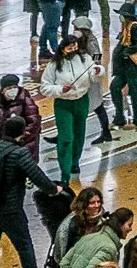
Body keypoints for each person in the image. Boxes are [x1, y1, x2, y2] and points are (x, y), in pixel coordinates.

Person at [0, 113, 60, 268]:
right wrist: (54, 189)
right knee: (24, 246)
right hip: (10, 211)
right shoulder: (20, 153)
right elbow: (38, 177)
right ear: (22, 132)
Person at [41, 31, 99, 183]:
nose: (73, 51)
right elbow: (44, 87)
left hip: (81, 101)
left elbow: (93, 75)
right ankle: (64, 172)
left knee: (79, 134)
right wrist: (60, 89)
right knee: (66, 137)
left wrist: (98, 72)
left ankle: (75, 162)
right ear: (63, 48)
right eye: (70, 48)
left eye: (75, 47)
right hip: (63, 104)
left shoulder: (85, 59)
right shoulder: (54, 65)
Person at [109, 6, 137, 131]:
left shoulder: (134, 27)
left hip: (131, 66)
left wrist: (126, 53)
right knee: (114, 87)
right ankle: (119, 118)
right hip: (123, 67)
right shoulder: (126, 27)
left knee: (135, 91)